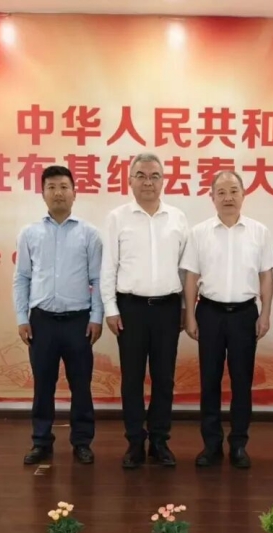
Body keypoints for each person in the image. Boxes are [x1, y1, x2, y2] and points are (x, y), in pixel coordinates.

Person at [100, 152, 189, 469]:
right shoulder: (117, 218)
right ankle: (135, 442)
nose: (148, 182)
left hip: (168, 308)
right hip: (131, 309)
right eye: (141, 175)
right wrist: (110, 308)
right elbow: (108, 267)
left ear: (163, 181)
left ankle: (160, 441)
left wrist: (184, 307)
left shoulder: (177, 218)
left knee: (164, 378)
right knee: (132, 379)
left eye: (154, 176)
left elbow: (185, 270)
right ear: (129, 180)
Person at [181, 170, 273, 468]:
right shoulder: (199, 232)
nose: (228, 197)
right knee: (209, 381)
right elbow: (191, 277)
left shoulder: (259, 231)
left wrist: (265, 314)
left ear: (244, 194)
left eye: (234, 191)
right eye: (221, 192)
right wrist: (190, 315)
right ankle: (211, 445)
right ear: (212, 198)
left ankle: (238, 445)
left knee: (242, 382)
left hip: (245, 315)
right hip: (209, 313)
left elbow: (266, 276)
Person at [13, 165, 103, 466]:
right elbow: (22, 277)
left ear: (75, 193)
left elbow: (98, 280)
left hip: (79, 321)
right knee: (43, 384)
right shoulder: (29, 233)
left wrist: (96, 317)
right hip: (41, 321)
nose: (58, 193)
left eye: (64, 187)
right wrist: (22, 318)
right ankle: (41, 441)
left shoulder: (89, 234)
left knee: (81, 384)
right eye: (51, 187)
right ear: (43, 194)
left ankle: (82, 442)